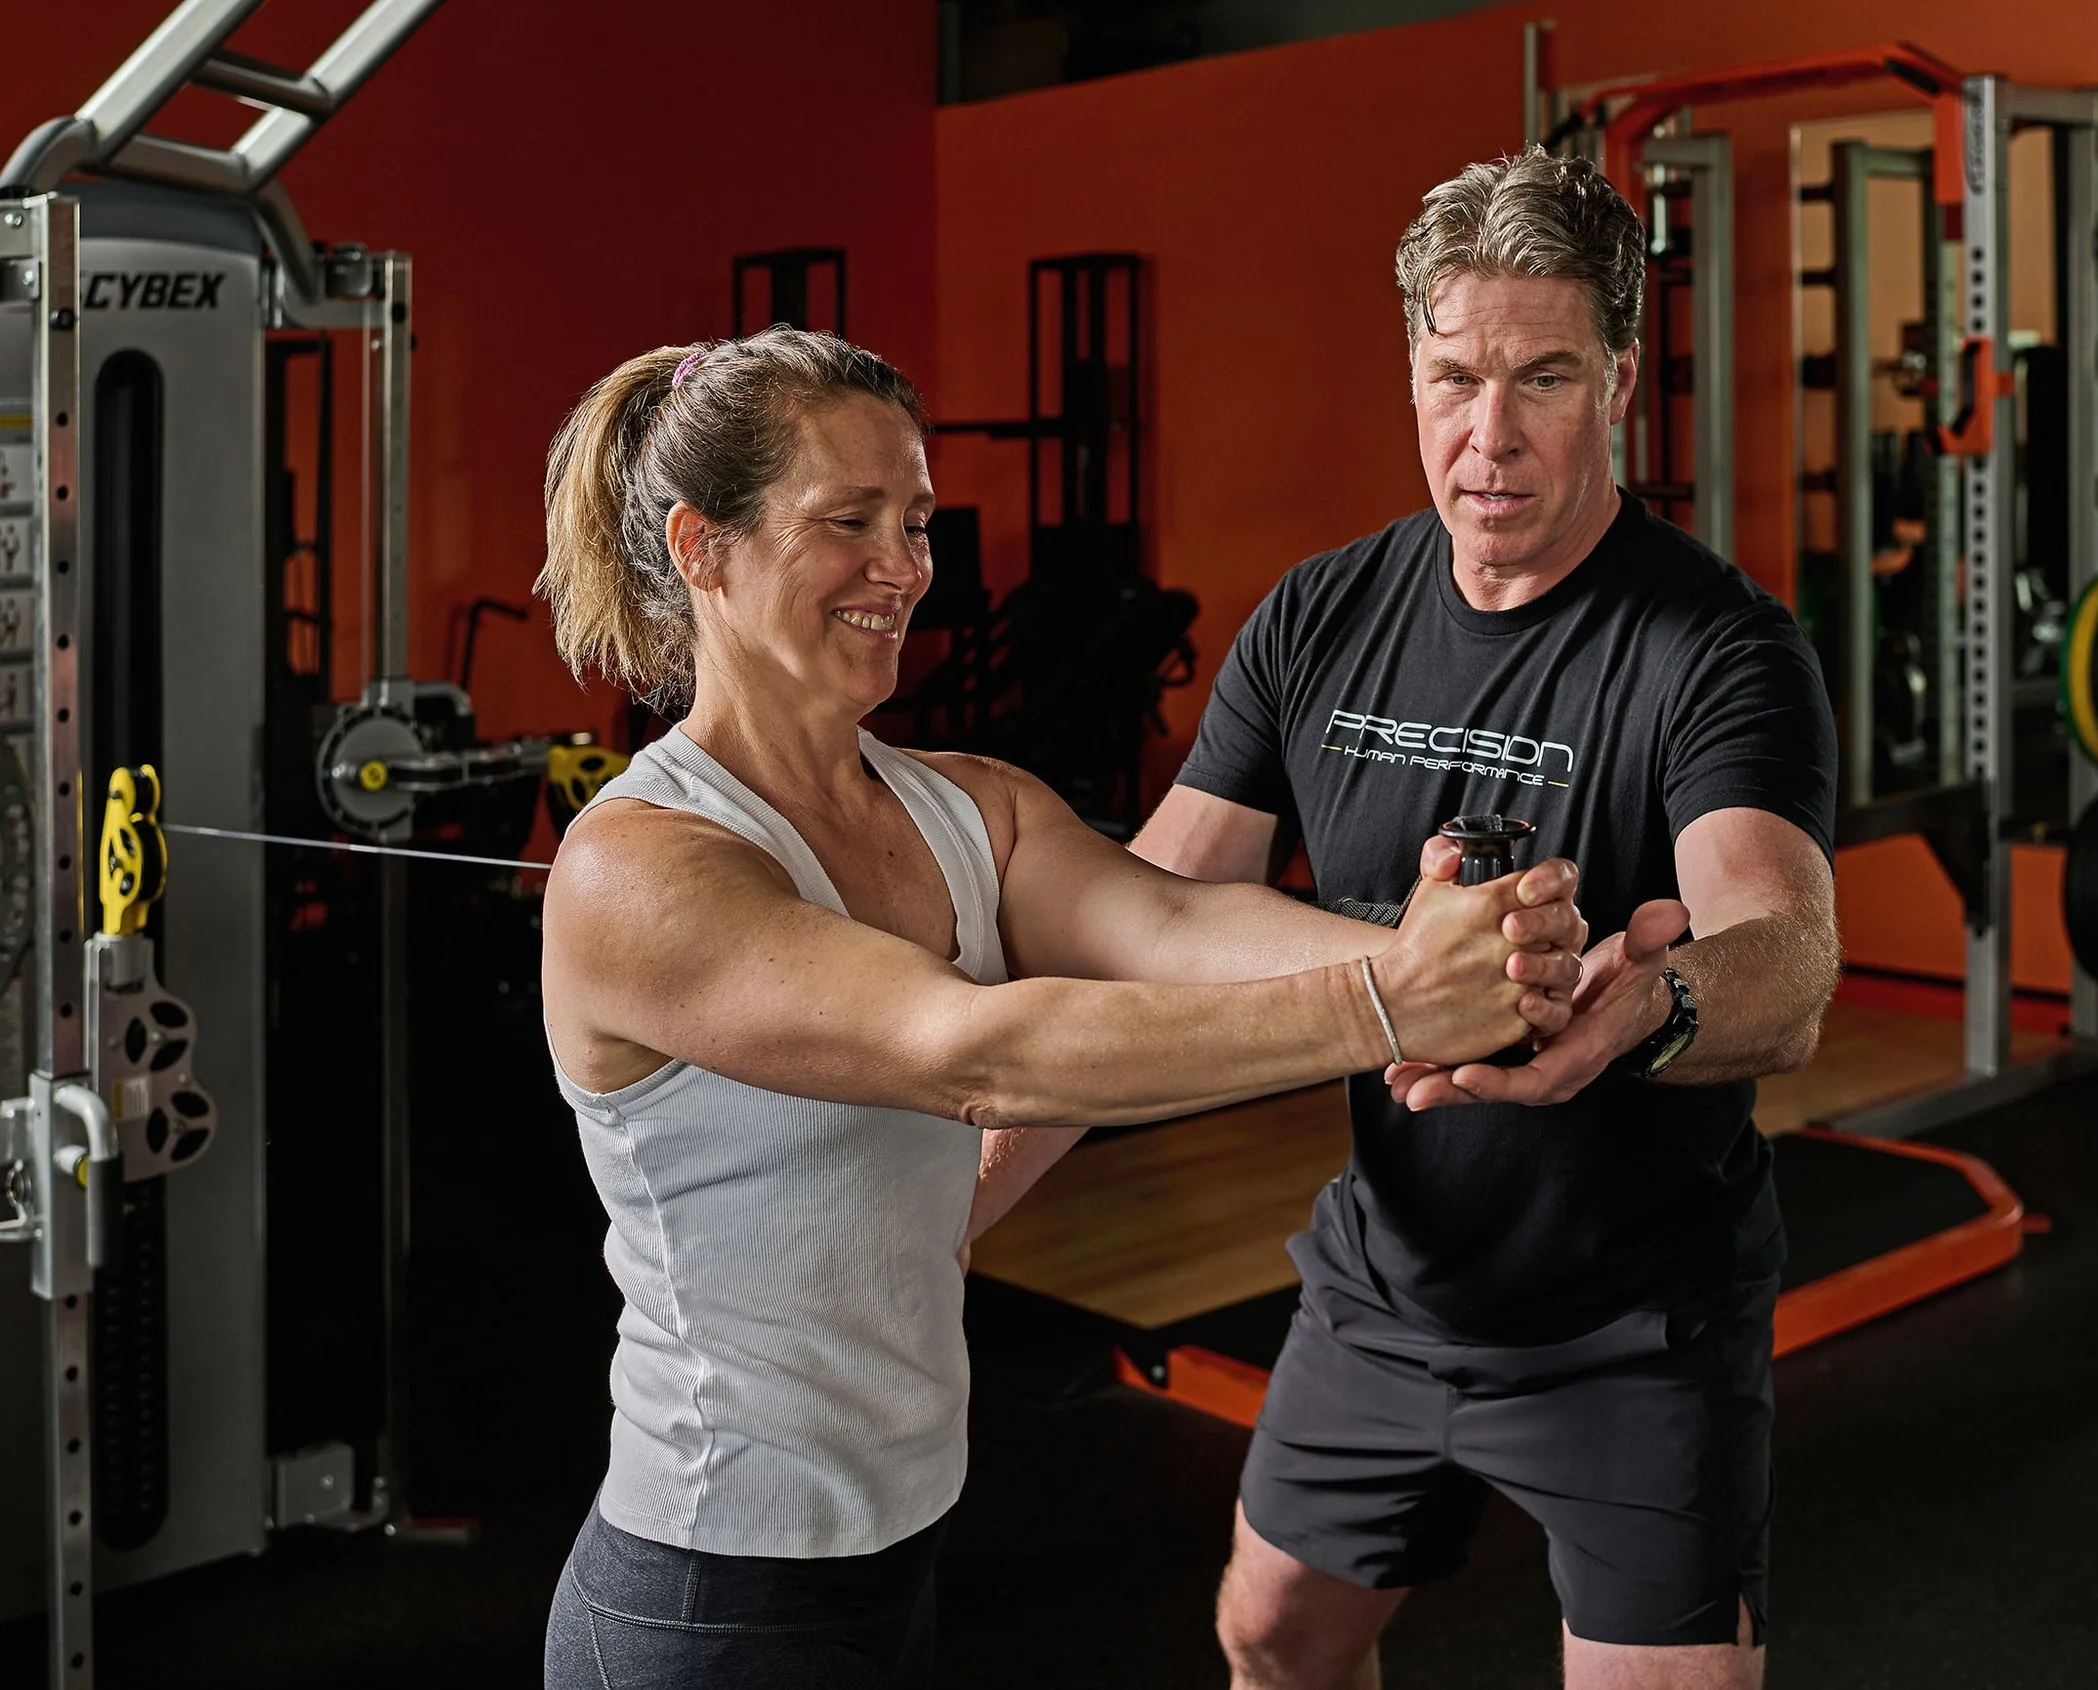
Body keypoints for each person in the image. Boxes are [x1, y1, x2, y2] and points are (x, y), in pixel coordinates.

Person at [529, 328, 1591, 1690]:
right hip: (703, 1594)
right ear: (702, 547)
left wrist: (1464, 961)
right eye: (848, 521)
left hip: (893, 1558)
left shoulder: (969, 806)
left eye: (915, 522)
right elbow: (977, 1053)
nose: (904, 566)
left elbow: (1175, 929)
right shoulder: (638, 867)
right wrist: (1391, 1001)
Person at [975, 148, 1842, 1689]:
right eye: (1454, 379)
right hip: (1387, 1285)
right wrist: (942, 1221)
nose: (1488, 435)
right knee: (1270, 1635)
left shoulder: (1718, 648)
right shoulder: (1320, 617)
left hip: (1633, 1321)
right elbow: (1131, 933)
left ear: (1618, 379)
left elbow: (1783, 954)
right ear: (1412, 374)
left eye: (1544, 378)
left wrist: (1636, 1011)